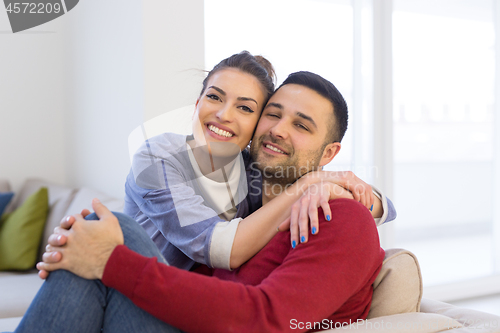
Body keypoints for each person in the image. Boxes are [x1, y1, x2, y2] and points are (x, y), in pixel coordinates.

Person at [14, 71, 391, 333]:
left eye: (301, 125)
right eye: (272, 115)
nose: (278, 129)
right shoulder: (246, 198)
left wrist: (111, 261)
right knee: (104, 230)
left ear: (329, 153)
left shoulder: (341, 218)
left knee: (117, 233)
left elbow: (268, 320)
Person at [120, 51, 392, 272]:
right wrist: (313, 181)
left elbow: (385, 209)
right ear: (197, 104)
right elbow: (220, 248)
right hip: (127, 293)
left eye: (245, 108)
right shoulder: (158, 157)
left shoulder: (251, 167)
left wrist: (339, 188)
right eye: (214, 97)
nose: (224, 115)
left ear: (254, 125)